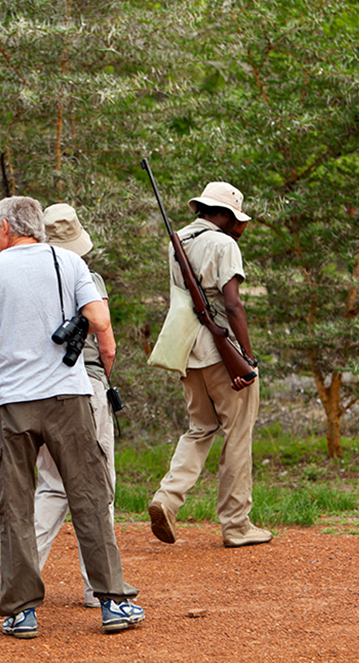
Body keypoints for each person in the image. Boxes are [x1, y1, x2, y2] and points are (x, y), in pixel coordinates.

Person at [0, 196, 144, 639]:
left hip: (11, 403)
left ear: (6, 229)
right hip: (68, 398)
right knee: (89, 496)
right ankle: (112, 602)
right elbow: (99, 317)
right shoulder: (69, 264)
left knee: (15, 506)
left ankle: (22, 611)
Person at [147, 182, 272, 549]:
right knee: (237, 432)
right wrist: (247, 355)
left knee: (200, 428)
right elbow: (232, 304)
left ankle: (167, 499)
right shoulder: (223, 244)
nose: (242, 227)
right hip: (221, 351)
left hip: (187, 348)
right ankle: (236, 525)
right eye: (240, 220)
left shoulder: (178, 242)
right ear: (228, 215)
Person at [32, 204, 117, 609]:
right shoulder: (87, 276)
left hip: (40, 391)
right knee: (98, 487)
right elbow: (107, 344)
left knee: (50, 486)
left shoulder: (26, 278)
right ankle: (98, 587)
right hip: (86, 387)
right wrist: (102, 376)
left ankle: (23, 577)